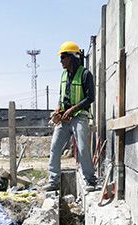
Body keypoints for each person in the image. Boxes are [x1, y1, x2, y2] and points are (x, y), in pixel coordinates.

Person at [44, 40, 97, 192]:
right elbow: (62, 97)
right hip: (64, 118)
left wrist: (72, 110)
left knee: (82, 147)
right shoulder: (63, 75)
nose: (60, 61)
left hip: (79, 116)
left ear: (72, 57)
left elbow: (90, 98)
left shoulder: (86, 74)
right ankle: (53, 181)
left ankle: (90, 180)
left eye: (63, 57)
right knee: (55, 147)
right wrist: (58, 111)